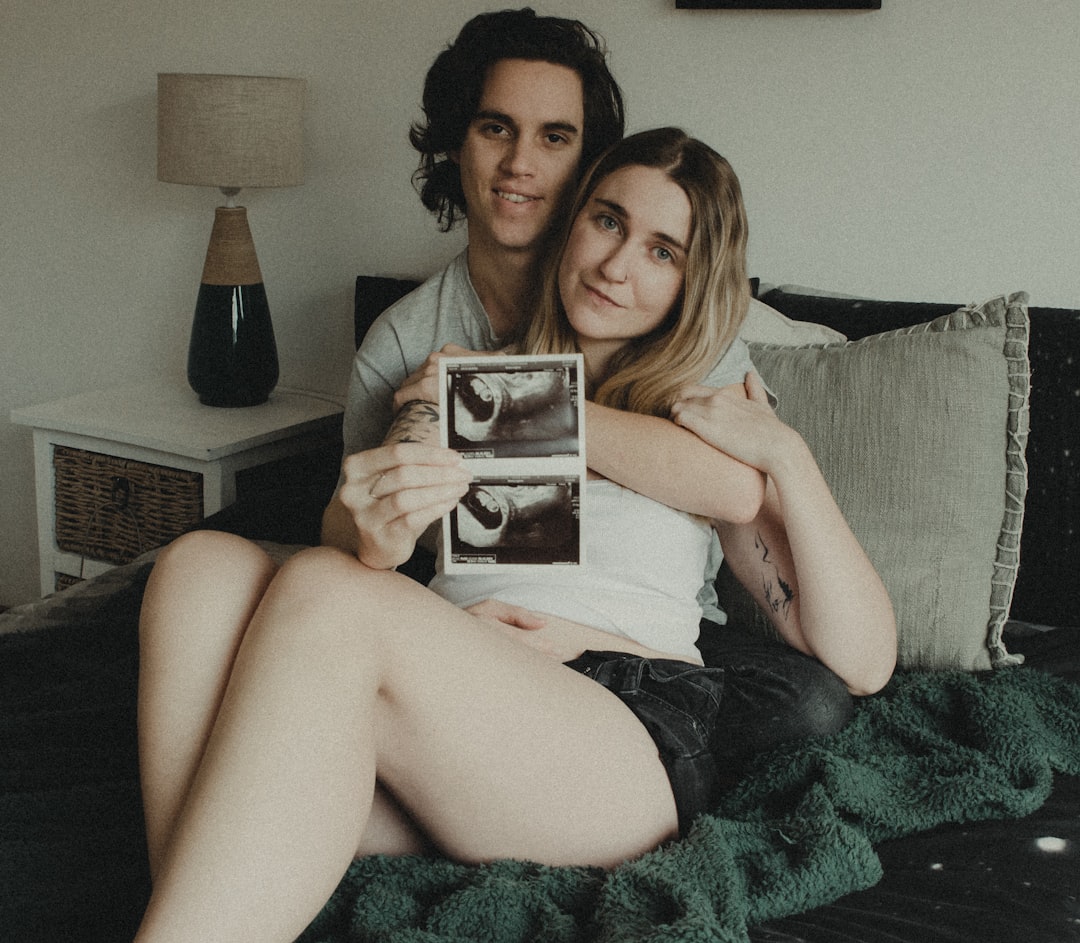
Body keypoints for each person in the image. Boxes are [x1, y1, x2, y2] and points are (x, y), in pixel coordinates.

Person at [134, 127, 895, 942]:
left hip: (620, 734)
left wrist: (788, 455)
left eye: (662, 251)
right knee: (199, 565)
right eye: (608, 221)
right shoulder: (456, 374)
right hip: (449, 726)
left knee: (328, 596)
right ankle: (193, 908)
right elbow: (361, 533)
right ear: (574, 222)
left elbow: (865, 658)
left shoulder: (700, 414)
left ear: (692, 281)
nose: (615, 265)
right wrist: (378, 528)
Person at [324, 8, 766, 640]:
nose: (519, 164)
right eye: (496, 128)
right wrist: (370, 528)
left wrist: (508, 401)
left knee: (806, 701)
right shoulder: (403, 338)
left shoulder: (668, 316)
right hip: (481, 614)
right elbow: (353, 525)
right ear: (456, 140)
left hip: (652, 621)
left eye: (554, 138)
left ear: (591, 162)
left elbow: (736, 486)